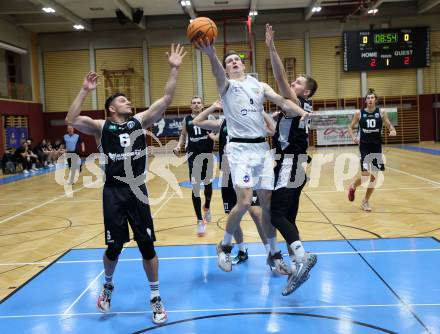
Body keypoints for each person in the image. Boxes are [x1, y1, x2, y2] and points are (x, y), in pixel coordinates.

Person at [65, 44, 186, 324]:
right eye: (123, 101)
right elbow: (70, 119)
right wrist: (84, 90)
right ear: (111, 108)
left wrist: (175, 68)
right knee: (114, 248)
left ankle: (156, 298)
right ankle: (107, 286)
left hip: (137, 189)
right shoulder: (100, 127)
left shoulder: (138, 120)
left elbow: (166, 98)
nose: (129, 102)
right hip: (113, 191)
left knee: (148, 247)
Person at [196, 38, 307, 273]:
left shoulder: (259, 85)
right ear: (226, 68)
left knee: (267, 205)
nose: (234, 62)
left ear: (244, 65)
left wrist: (302, 113)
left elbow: (281, 100)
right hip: (239, 150)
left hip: (261, 149)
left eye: (237, 59)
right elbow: (216, 70)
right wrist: (211, 54)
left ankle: (274, 256)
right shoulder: (226, 86)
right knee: (245, 201)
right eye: (229, 61)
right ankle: (225, 247)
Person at [265, 23, 319, 295]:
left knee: (275, 215)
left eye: (298, 83)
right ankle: (298, 268)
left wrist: (271, 48)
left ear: (305, 92)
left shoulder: (296, 104)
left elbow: (280, 80)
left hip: (291, 164)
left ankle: (301, 258)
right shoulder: (294, 109)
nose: (292, 84)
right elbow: (272, 129)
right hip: (295, 165)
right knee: (288, 219)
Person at [194, 101, 273, 265]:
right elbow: (197, 121)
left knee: (256, 213)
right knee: (232, 215)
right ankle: (242, 250)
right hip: (227, 173)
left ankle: (270, 253)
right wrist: (214, 107)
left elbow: (271, 130)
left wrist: (261, 111)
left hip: (246, 170)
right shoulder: (222, 122)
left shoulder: (249, 121)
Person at [347, 88, 396, 211]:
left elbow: (388, 124)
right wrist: (353, 137)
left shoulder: (382, 112)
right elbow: (350, 126)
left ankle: (365, 202)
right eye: (368, 98)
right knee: (365, 175)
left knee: (374, 178)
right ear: (365, 101)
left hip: (376, 147)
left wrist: (392, 129)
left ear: (376, 100)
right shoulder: (359, 113)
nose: (370, 100)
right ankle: (353, 186)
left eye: (372, 98)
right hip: (364, 146)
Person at [173, 97, 215, 237]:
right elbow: (183, 135)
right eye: (194, 103)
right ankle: (199, 220)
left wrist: (214, 136)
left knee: (208, 186)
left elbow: (216, 131)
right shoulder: (187, 120)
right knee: (196, 188)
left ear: (203, 105)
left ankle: (207, 206)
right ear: (191, 106)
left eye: (199, 102)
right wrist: (179, 146)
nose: (196, 105)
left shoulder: (210, 117)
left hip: (207, 156)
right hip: (193, 158)